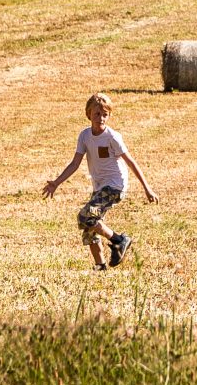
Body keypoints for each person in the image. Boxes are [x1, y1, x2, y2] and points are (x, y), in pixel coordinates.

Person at [43, 92, 158, 271]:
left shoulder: (113, 137)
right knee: (89, 229)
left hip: (115, 186)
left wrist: (147, 188)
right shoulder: (84, 136)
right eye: (97, 114)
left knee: (85, 215)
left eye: (105, 114)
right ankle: (100, 268)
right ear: (88, 114)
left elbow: (130, 162)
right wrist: (56, 182)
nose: (101, 118)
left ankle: (119, 240)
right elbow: (75, 163)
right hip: (100, 188)